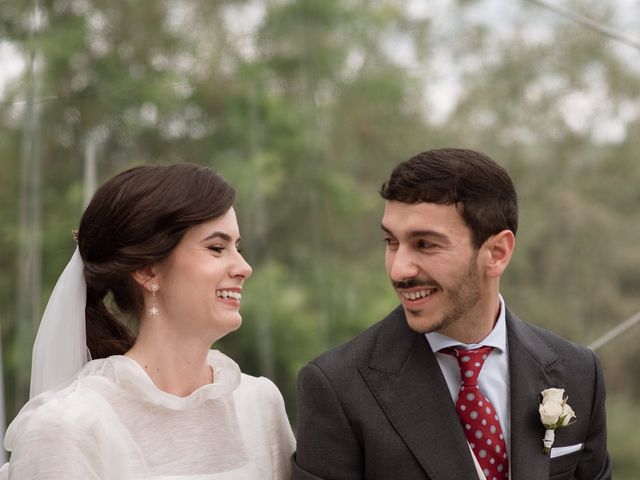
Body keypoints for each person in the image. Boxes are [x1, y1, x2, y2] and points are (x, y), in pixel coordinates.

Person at [292, 148, 611, 480]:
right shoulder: (336, 387)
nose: (399, 270)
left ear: (497, 253)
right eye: (391, 242)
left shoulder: (578, 371)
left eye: (425, 244)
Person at [1, 164, 295, 479]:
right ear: (148, 271)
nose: (244, 267)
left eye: (237, 248)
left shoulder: (259, 405)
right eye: (216, 248)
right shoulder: (66, 426)